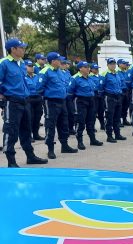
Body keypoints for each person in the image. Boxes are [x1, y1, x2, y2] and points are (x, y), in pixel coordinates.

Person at [0, 38, 48, 167]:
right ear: (13, 49)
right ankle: (11, 161)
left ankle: (30, 156)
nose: (23, 49)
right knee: (11, 131)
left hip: (25, 101)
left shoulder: (21, 63)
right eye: (21, 47)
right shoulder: (3, 63)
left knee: (26, 131)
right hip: (12, 102)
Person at [39, 51, 78, 159]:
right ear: (53, 61)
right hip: (51, 102)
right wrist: (49, 95)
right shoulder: (45, 72)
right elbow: (39, 88)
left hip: (62, 101)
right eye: (58, 60)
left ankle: (64, 146)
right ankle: (50, 149)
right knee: (50, 125)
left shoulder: (60, 71)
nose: (61, 61)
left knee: (64, 124)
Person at [67, 61, 104, 149]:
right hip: (80, 101)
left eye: (88, 67)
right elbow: (69, 93)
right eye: (85, 67)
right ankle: (80, 141)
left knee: (91, 121)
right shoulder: (75, 78)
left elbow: (94, 89)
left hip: (91, 100)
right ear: (80, 68)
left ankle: (93, 139)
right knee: (80, 122)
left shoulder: (90, 78)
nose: (88, 68)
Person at [99, 58, 127, 142]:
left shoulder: (117, 73)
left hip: (118, 97)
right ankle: (109, 136)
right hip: (109, 97)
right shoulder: (104, 74)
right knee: (109, 117)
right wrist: (103, 98)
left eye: (114, 64)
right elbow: (100, 88)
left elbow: (121, 84)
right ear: (107, 65)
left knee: (117, 117)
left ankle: (117, 134)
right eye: (111, 64)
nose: (113, 65)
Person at [24, 60, 44, 141]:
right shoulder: (23, 77)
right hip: (29, 99)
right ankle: (28, 136)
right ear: (25, 67)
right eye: (29, 66)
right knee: (29, 118)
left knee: (37, 117)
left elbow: (41, 86)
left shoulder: (37, 76)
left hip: (38, 99)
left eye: (32, 66)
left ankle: (36, 134)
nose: (31, 68)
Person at [117, 59, 131, 126]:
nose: (125, 64)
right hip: (120, 91)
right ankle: (118, 120)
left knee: (126, 106)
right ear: (119, 64)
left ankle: (124, 119)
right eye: (124, 63)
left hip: (126, 91)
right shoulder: (116, 72)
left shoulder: (126, 72)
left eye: (125, 63)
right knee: (119, 107)